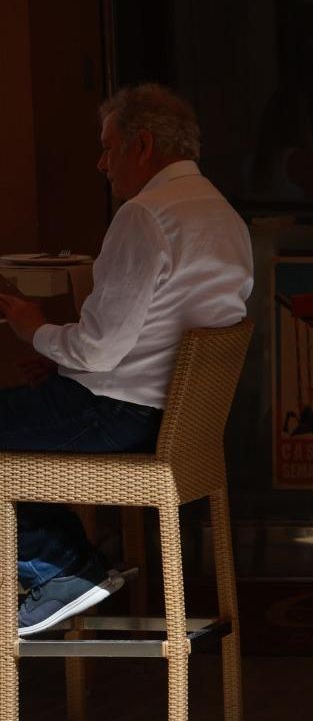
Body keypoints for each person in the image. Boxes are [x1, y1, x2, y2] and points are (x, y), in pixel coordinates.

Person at [0, 83, 253, 637]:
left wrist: (33, 328)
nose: (102, 163)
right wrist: (63, 361)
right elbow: (148, 338)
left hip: (117, 416)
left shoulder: (145, 215)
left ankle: (63, 568)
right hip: (178, 425)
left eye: (109, 148)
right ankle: (69, 563)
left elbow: (100, 348)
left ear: (141, 145)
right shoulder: (224, 214)